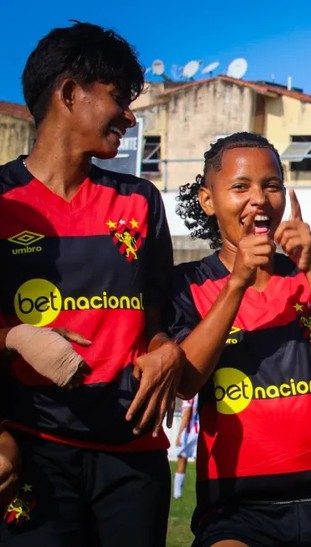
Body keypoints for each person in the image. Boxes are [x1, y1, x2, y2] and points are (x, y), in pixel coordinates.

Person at [0, 22, 182, 546]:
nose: (129, 115)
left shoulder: (140, 200)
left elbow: (157, 316)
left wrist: (165, 346)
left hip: (133, 454)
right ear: (70, 92)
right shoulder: (4, 200)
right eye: (119, 98)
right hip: (33, 448)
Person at [171, 132, 311, 547]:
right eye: (241, 187)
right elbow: (186, 381)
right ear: (208, 200)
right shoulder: (188, 284)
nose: (259, 199)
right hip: (237, 505)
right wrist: (238, 284)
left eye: (271, 185)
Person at [173, 394, 199, 499]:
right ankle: (203, 490)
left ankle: (177, 493)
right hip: (198, 430)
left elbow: (187, 413)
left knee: (182, 460)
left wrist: (179, 433)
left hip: (188, 433)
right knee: (200, 464)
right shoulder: (198, 393)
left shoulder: (189, 394)